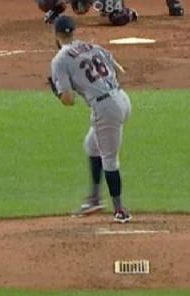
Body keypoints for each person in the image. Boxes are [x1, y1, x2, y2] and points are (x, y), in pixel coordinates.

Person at [47, 14, 133, 224]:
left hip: (105, 108)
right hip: (122, 99)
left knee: (109, 159)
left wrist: (57, 92)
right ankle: (94, 198)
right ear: (74, 31)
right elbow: (119, 71)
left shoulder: (60, 59)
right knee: (91, 146)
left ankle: (120, 210)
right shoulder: (92, 46)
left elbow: (68, 100)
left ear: (56, 34)